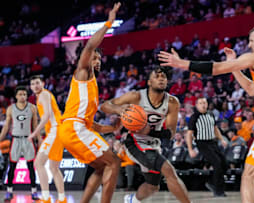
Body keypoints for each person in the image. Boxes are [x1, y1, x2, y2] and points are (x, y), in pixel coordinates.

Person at [158, 25, 254, 203]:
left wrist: (182, 64)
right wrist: (235, 65)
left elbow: (218, 68)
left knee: (248, 175)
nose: (249, 45)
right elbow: (251, 89)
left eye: (251, 41)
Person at [58, 3, 122, 203]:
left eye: (99, 59)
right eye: (95, 57)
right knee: (114, 162)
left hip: (75, 128)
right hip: (72, 128)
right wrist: (109, 21)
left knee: (102, 166)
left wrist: (112, 127)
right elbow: (89, 46)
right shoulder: (82, 73)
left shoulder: (92, 90)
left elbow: (92, 125)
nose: (97, 60)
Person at [100, 66, 191, 203]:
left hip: (153, 144)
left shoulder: (172, 103)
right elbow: (105, 106)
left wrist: (149, 131)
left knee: (152, 187)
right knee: (169, 171)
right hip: (134, 142)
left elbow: (170, 134)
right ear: (149, 82)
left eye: (164, 77)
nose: (161, 79)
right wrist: (118, 109)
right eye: (157, 76)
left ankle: (132, 200)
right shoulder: (136, 96)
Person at [28, 75, 66, 203]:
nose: (35, 86)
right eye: (33, 84)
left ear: (43, 83)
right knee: (54, 168)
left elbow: (46, 117)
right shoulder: (43, 95)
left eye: (37, 83)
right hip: (56, 131)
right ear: (30, 87)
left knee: (39, 163)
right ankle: (61, 199)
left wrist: (34, 134)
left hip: (55, 131)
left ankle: (46, 198)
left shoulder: (43, 94)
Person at [0, 86, 41, 201]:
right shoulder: (10, 109)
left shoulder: (32, 108)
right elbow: (6, 127)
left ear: (27, 96)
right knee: (12, 167)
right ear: (16, 96)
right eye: (20, 94)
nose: (23, 96)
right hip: (15, 140)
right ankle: (9, 191)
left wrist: (40, 140)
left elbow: (35, 126)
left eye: (25, 94)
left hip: (28, 139)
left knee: (31, 167)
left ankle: (34, 191)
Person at [186, 97, 228, 197]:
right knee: (217, 163)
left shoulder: (211, 114)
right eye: (200, 103)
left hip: (212, 142)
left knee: (224, 163)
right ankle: (218, 191)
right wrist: (190, 149)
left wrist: (221, 139)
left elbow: (215, 128)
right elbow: (189, 134)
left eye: (204, 102)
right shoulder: (194, 117)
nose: (203, 105)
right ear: (197, 105)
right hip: (202, 143)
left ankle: (212, 182)